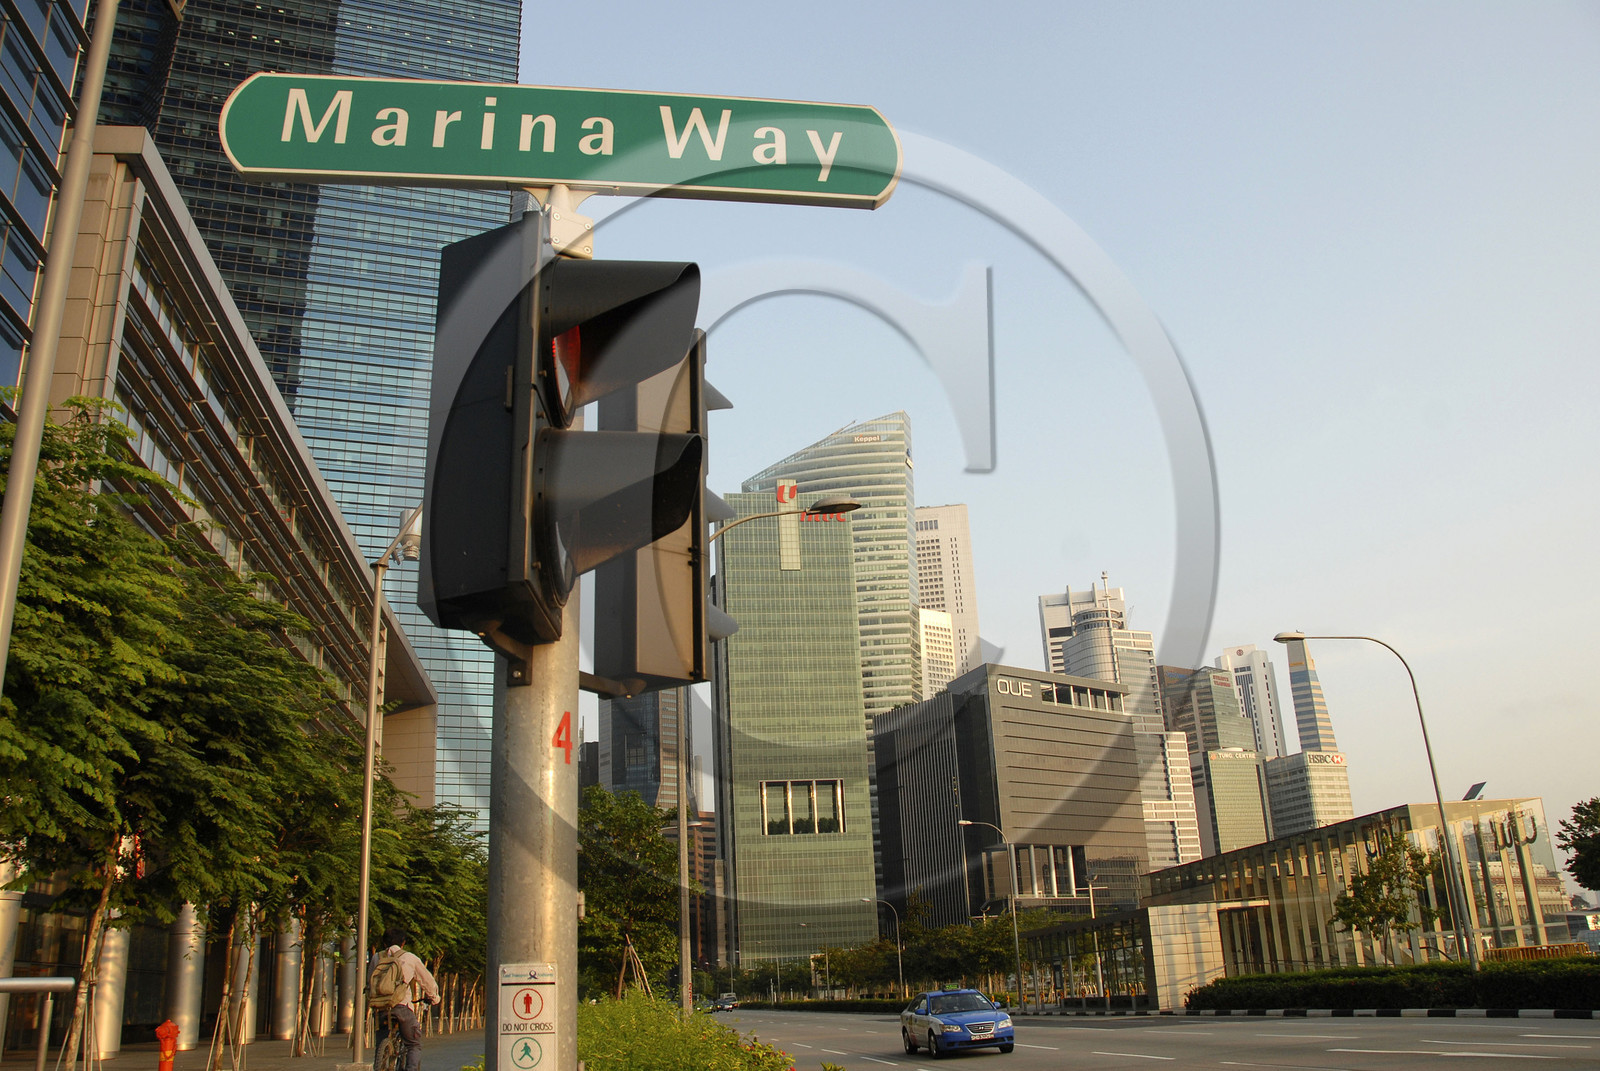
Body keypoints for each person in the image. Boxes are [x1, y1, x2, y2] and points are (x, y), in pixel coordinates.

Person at [371, 928, 440, 1071]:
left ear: (384, 942)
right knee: (413, 1044)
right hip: (402, 1007)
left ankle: (381, 1060)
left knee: (380, 1047)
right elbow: (427, 981)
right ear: (403, 943)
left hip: (381, 1008)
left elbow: (370, 980)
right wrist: (434, 998)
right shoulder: (410, 958)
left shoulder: (376, 957)